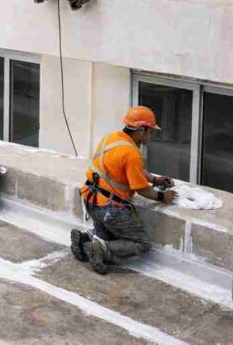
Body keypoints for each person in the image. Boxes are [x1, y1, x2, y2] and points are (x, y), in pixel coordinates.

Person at [72, 106, 176, 274]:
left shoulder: (112, 138)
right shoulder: (132, 153)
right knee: (142, 245)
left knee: (109, 236)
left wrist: (154, 179)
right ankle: (100, 249)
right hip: (110, 208)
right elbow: (141, 189)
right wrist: (163, 196)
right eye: (150, 131)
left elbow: (130, 169)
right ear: (141, 130)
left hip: (90, 198)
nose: (151, 135)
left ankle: (86, 239)